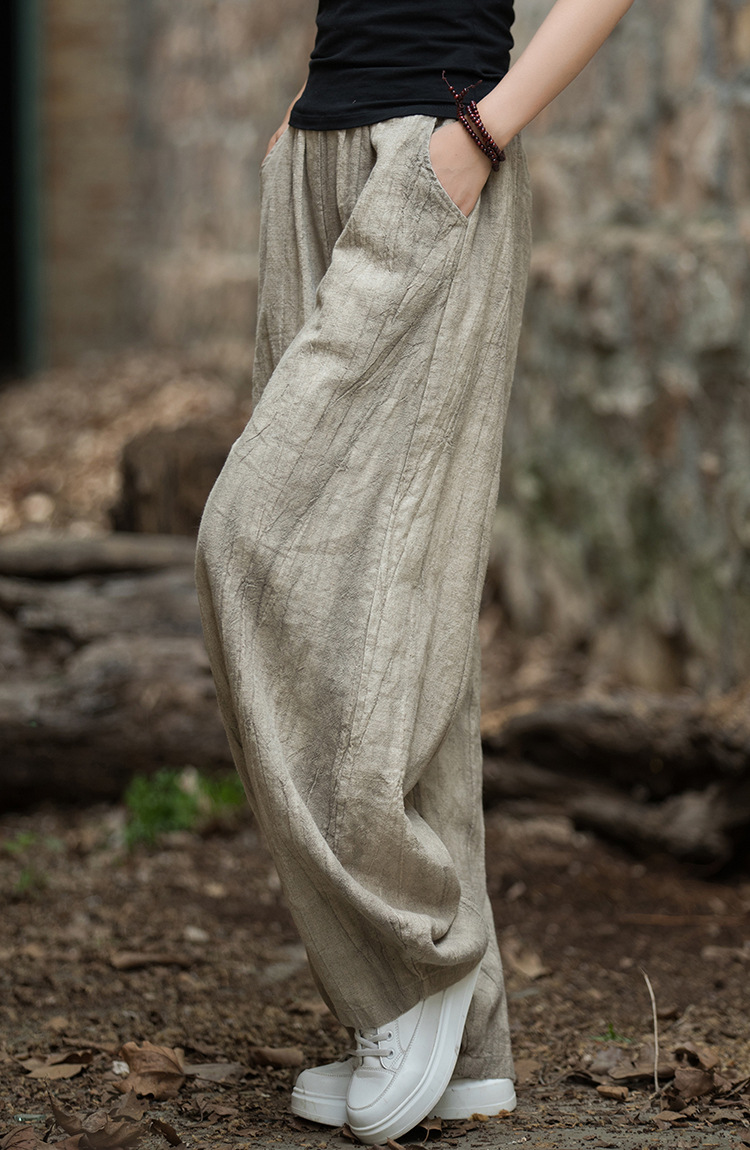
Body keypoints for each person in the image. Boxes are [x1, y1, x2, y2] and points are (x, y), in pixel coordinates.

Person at [195, 0, 635, 1142]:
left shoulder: (459, 145)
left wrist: (479, 135)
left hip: (434, 151)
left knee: (246, 540)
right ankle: (470, 1044)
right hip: (320, 157)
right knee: (410, 599)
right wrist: (305, 110)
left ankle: (410, 957)